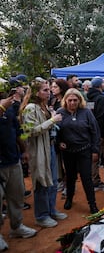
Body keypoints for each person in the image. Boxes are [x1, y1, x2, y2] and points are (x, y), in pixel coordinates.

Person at [20, 78, 67, 228]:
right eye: (45, 90)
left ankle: (51, 210)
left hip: (50, 147)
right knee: (41, 182)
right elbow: (29, 131)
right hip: (38, 150)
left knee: (52, 181)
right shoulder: (29, 108)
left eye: (49, 89)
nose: (49, 92)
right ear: (36, 92)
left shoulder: (43, 106)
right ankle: (41, 216)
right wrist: (52, 120)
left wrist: (51, 118)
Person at [0, 93, 37, 251]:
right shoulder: (4, 107)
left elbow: (18, 131)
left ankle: (16, 227)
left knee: (17, 195)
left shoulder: (9, 110)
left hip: (13, 161)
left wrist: (25, 150)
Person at [56, 88, 100, 214]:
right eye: (70, 100)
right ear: (66, 101)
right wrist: (59, 142)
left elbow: (95, 131)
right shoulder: (60, 112)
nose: (72, 103)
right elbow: (55, 130)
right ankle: (69, 198)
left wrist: (95, 150)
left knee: (87, 178)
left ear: (80, 100)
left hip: (84, 150)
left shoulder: (86, 112)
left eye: (75, 100)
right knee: (70, 177)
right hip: (68, 152)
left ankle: (92, 204)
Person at [86, 77, 104, 192]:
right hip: (100, 133)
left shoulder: (89, 98)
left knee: (94, 158)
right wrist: (103, 133)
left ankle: (95, 182)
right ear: (101, 85)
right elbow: (100, 117)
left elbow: (90, 116)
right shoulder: (101, 98)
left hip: (91, 132)